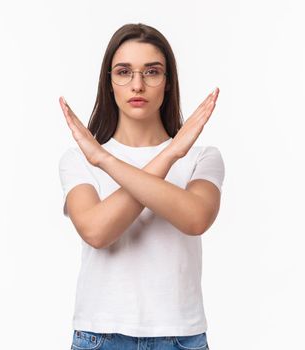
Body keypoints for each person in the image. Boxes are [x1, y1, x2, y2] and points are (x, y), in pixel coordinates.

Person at [58, 23, 224, 350]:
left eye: (151, 72)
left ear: (167, 82)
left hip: (181, 337)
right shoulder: (78, 159)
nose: (137, 85)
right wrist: (169, 155)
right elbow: (96, 231)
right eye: (124, 72)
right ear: (109, 83)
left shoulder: (202, 157)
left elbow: (195, 219)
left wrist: (109, 161)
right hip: (100, 337)